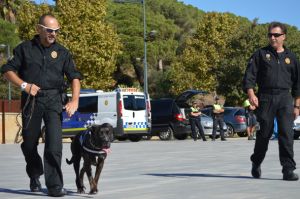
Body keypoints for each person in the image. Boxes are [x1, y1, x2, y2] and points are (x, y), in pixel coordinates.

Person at [1, 14, 82, 196]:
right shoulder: (24, 49)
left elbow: (74, 77)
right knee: (29, 144)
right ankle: (35, 173)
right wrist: (25, 85)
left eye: (56, 31)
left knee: (54, 145)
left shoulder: (63, 52)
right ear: (39, 28)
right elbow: (7, 70)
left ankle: (54, 185)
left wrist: (74, 100)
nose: (53, 33)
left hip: (54, 102)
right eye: (50, 30)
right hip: (31, 101)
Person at [243, 21, 300, 181]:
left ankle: (288, 170)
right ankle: (256, 162)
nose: (272, 37)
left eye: (276, 35)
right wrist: (251, 94)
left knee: (287, 134)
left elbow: (297, 84)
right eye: (270, 35)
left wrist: (297, 105)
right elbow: (250, 76)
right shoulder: (260, 54)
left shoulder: (292, 58)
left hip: (284, 98)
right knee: (264, 134)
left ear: (284, 36)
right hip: (265, 98)